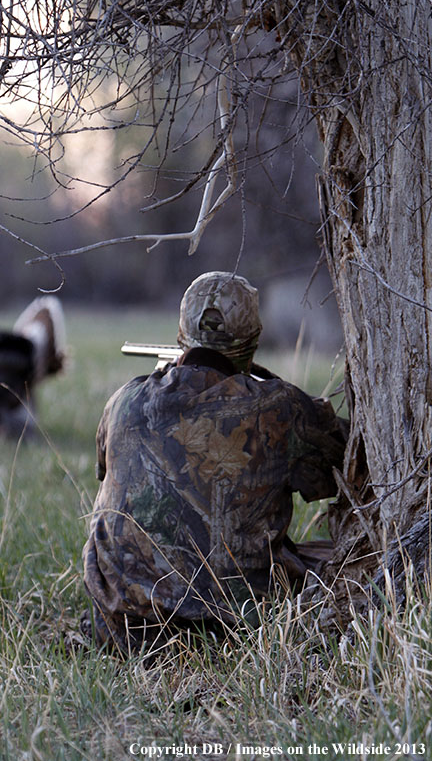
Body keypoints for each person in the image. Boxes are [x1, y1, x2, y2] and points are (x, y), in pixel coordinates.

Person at [82, 271, 348, 650]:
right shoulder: (279, 408)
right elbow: (346, 458)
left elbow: (105, 472)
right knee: (345, 557)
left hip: (122, 630)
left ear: (180, 333)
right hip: (236, 632)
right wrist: (268, 385)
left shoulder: (123, 401)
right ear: (252, 340)